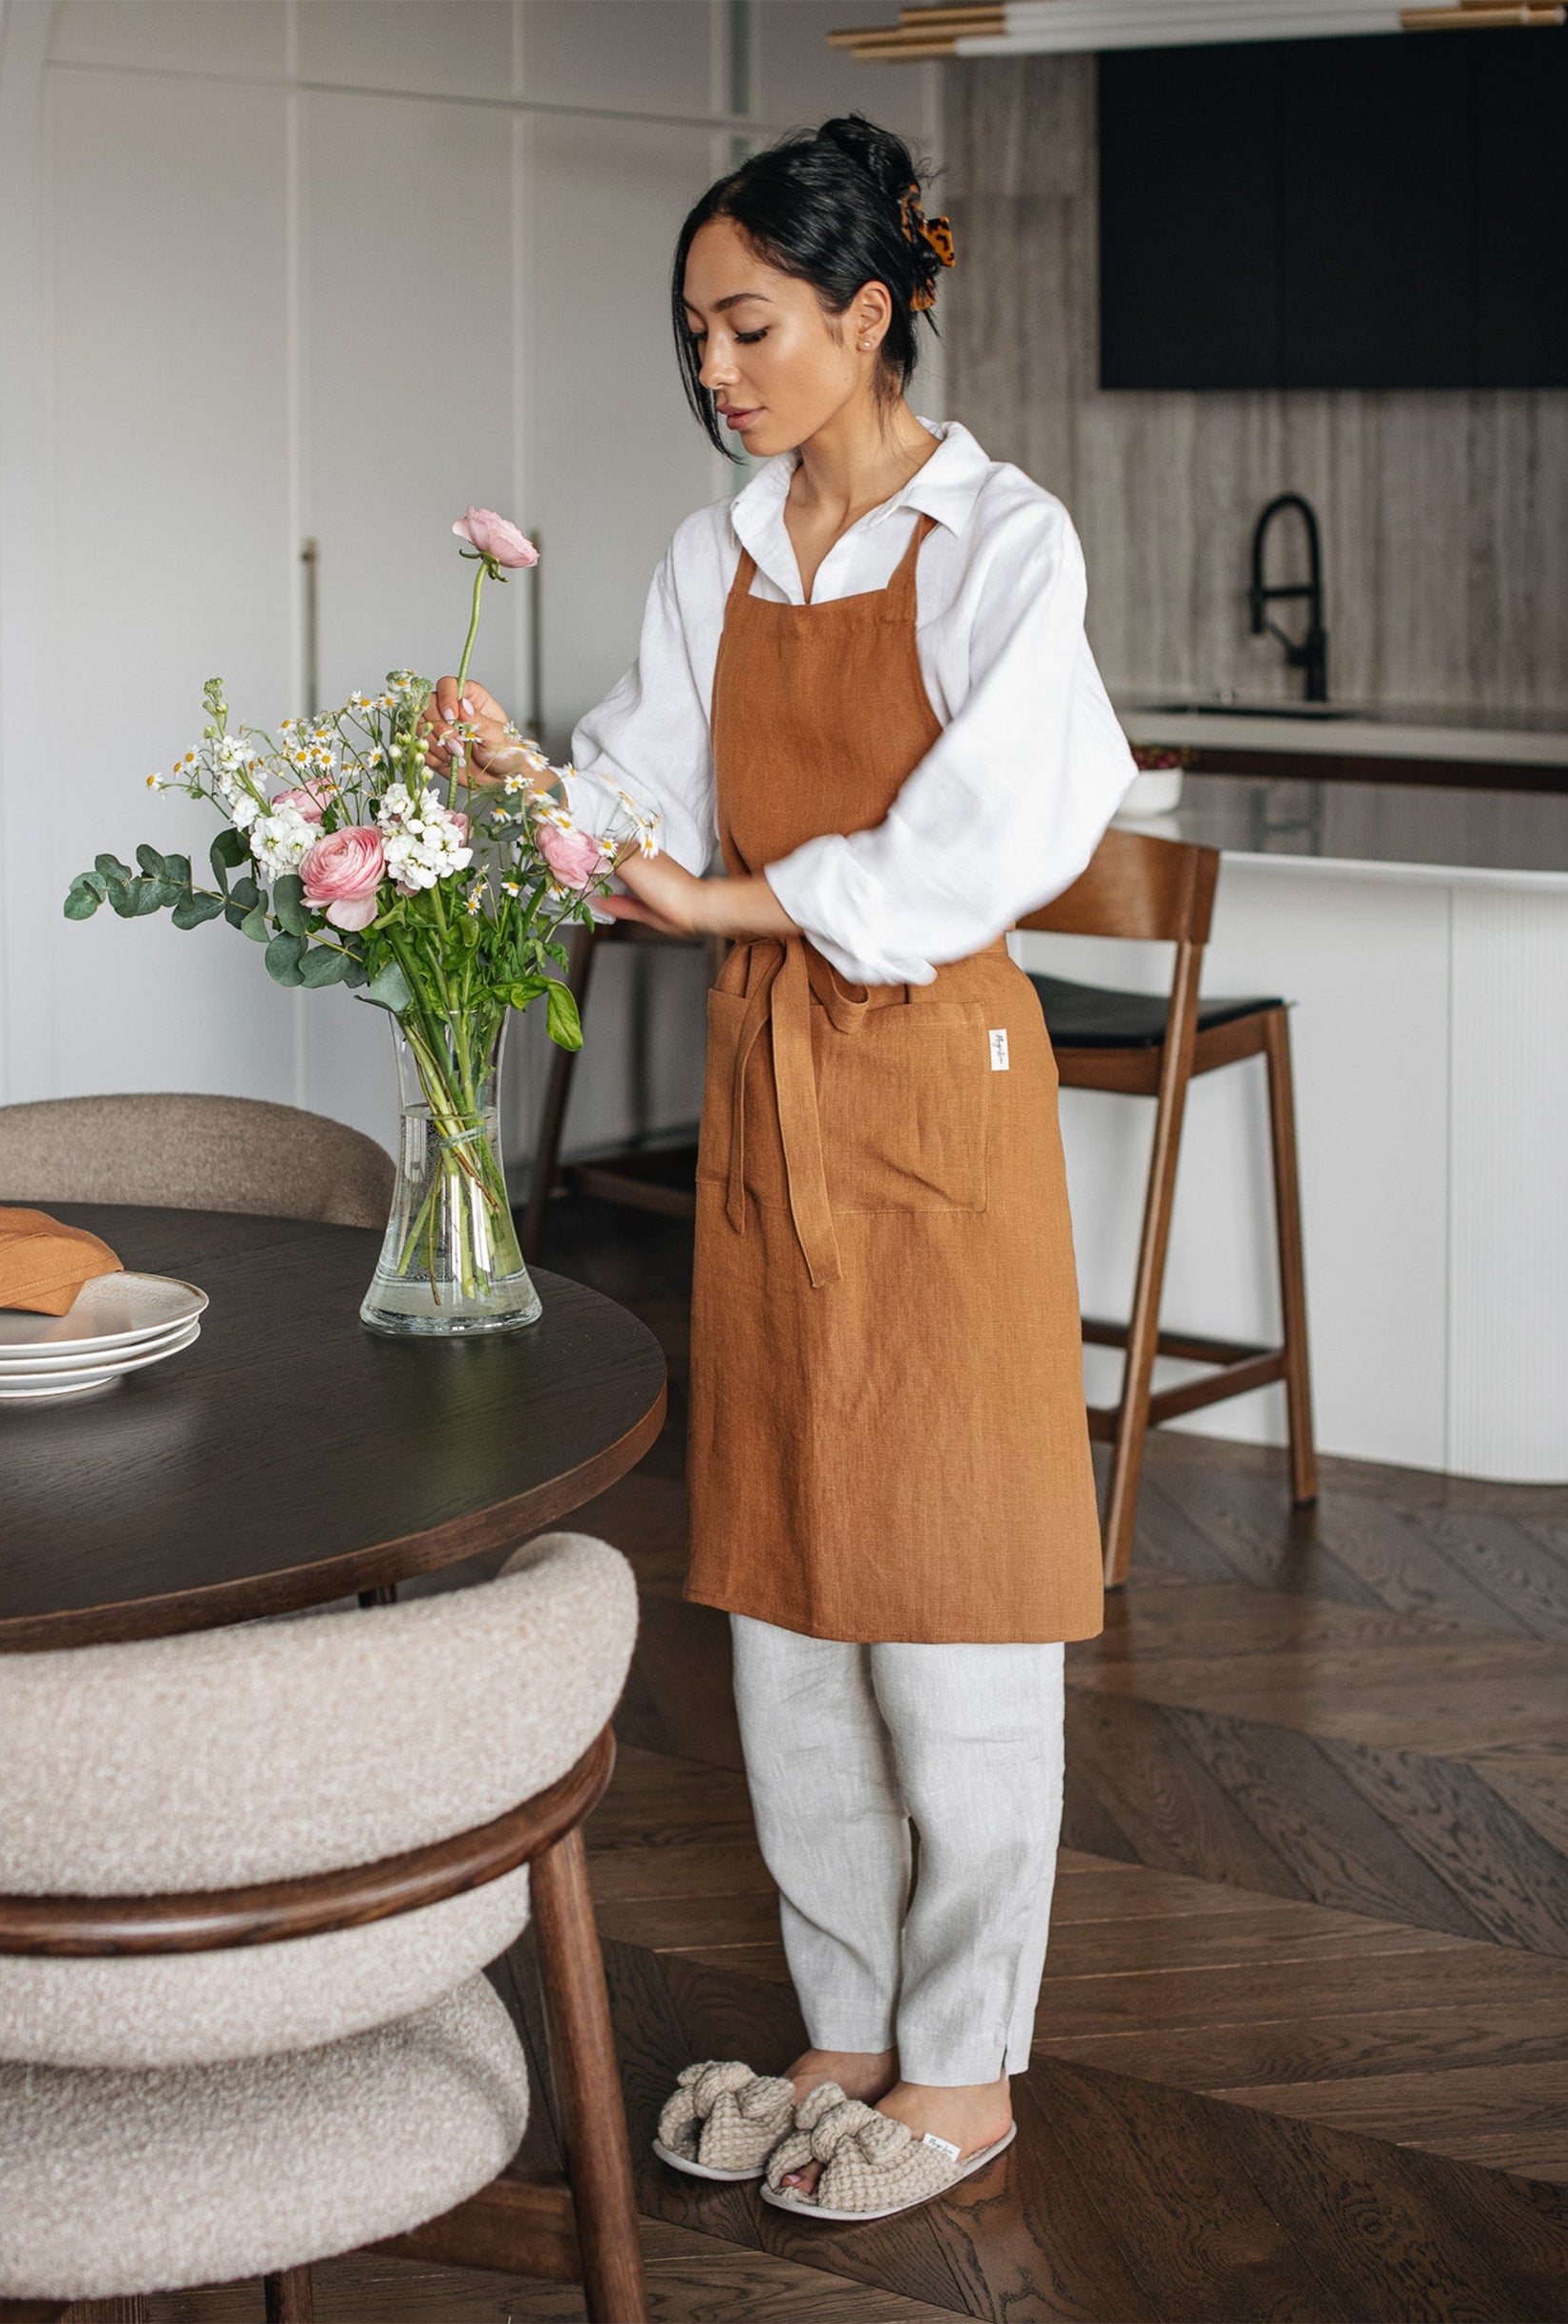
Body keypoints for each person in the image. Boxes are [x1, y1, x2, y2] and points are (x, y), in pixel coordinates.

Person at [427, 114, 1134, 2225]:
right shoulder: (712, 549)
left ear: (866, 307)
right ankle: (841, 2027)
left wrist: (719, 898)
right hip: (772, 1098)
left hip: (935, 1089)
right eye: (694, 334)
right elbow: (636, 807)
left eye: (748, 324)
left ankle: (965, 2060)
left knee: (951, 1597)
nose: (718, 367)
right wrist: (526, 789)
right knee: (789, 1589)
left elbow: (988, 838)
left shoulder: (1004, 542)